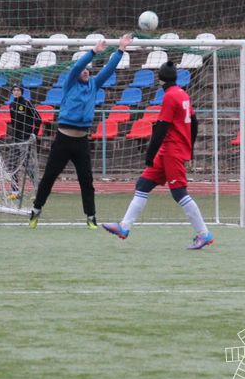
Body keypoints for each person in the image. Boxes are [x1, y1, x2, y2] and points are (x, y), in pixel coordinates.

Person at [102, 60, 214, 249]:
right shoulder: (182, 94)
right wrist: (190, 147)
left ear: (160, 80)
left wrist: (149, 154)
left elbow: (161, 127)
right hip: (169, 150)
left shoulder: (170, 96)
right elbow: (194, 122)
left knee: (179, 193)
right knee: (143, 184)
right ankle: (124, 227)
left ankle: (203, 234)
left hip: (172, 151)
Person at [29, 33, 133, 229]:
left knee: (86, 180)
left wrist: (121, 49)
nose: (85, 71)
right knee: (49, 177)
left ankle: (91, 217)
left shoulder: (93, 84)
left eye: (87, 70)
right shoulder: (70, 84)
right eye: (83, 70)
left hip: (82, 141)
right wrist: (93, 52)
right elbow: (77, 66)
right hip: (63, 140)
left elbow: (109, 70)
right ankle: (36, 210)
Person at [6, 84, 41, 198]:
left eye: (18, 90)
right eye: (14, 90)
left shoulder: (27, 103)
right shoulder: (11, 105)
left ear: (21, 92)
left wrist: (33, 134)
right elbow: (13, 122)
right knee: (12, 164)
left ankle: (38, 190)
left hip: (25, 139)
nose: (16, 92)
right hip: (15, 139)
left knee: (28, 165)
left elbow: (38, 119)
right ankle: (15, 192)